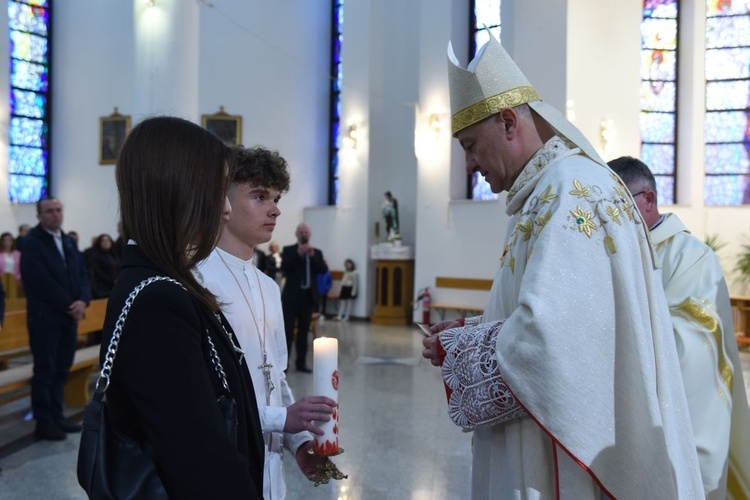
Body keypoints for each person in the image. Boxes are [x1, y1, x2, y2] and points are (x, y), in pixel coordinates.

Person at [421, 34, 703, 498]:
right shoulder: (554, 189)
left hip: (562, 456)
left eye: (470, 144)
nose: (469, 163)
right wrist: (468, 332)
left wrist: (460, 350)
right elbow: (566, 317)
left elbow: (548, 339)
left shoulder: (566, 192)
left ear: (508, 122)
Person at [98, 116, 264, 498]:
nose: (225, 210)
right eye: (218, 191)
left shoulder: (164, 284)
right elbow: (199, 462)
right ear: (179, 191)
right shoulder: (157, 303)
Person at [196, 145, 336, 499]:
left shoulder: (269, 287)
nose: (275, 209)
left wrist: (301, 441)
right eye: (259, 196)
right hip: (220, 464)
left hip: (271, 469)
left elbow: (276, 376)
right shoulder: (197, 281)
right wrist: (281, 420)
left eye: (276, 198)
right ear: (221, 203)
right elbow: (200, 398)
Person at [608, 156, 750, 499]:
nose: (610, 219)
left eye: (617, 205)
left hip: (681, 414)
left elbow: (696, 341)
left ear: (649, 200)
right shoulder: (615, 251)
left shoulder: (691, 256)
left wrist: (617, 332)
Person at [20, 198, 91, 441]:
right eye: (49, 211)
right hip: (45, 318)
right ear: (39, 215)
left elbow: (82, 274)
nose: (55, 215)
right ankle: (44, 422)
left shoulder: (68, 241)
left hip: (68, 318)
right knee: (45, 371)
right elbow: (40, 281)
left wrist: (82, 300)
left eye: (58, 210)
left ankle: (58, 417)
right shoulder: (31, 243)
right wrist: (69, 305)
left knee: (61, 370)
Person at [281, 223, 328, 373]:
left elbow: (323, 269)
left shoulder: (317, 252)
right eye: (301, 231)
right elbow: (285, 268)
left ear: (310, 234)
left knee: (303, 332)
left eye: (306, 231)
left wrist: (313, 257)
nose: (303, 234)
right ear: (296, 234)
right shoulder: (289, 250)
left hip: (308, 297)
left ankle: (301, 363)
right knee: (287, 332)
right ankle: (285, 364)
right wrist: (298, 255)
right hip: (291, 297)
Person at [86, 233, 119, 299]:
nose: (106, 242)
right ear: (99, 243)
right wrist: (112, 280)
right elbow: (98, 272)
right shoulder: (96, 256)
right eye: (103, 241)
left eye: (108, 240)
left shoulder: (114, 255)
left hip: (116, 287)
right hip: (103, 289)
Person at [0, 232, 22, 298]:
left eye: (9, 240)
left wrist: (18, 278)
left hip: (16, 282)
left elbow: (21, 268)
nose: (7, 242)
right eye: (5, 240)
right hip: (2, 281)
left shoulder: (18, 254)